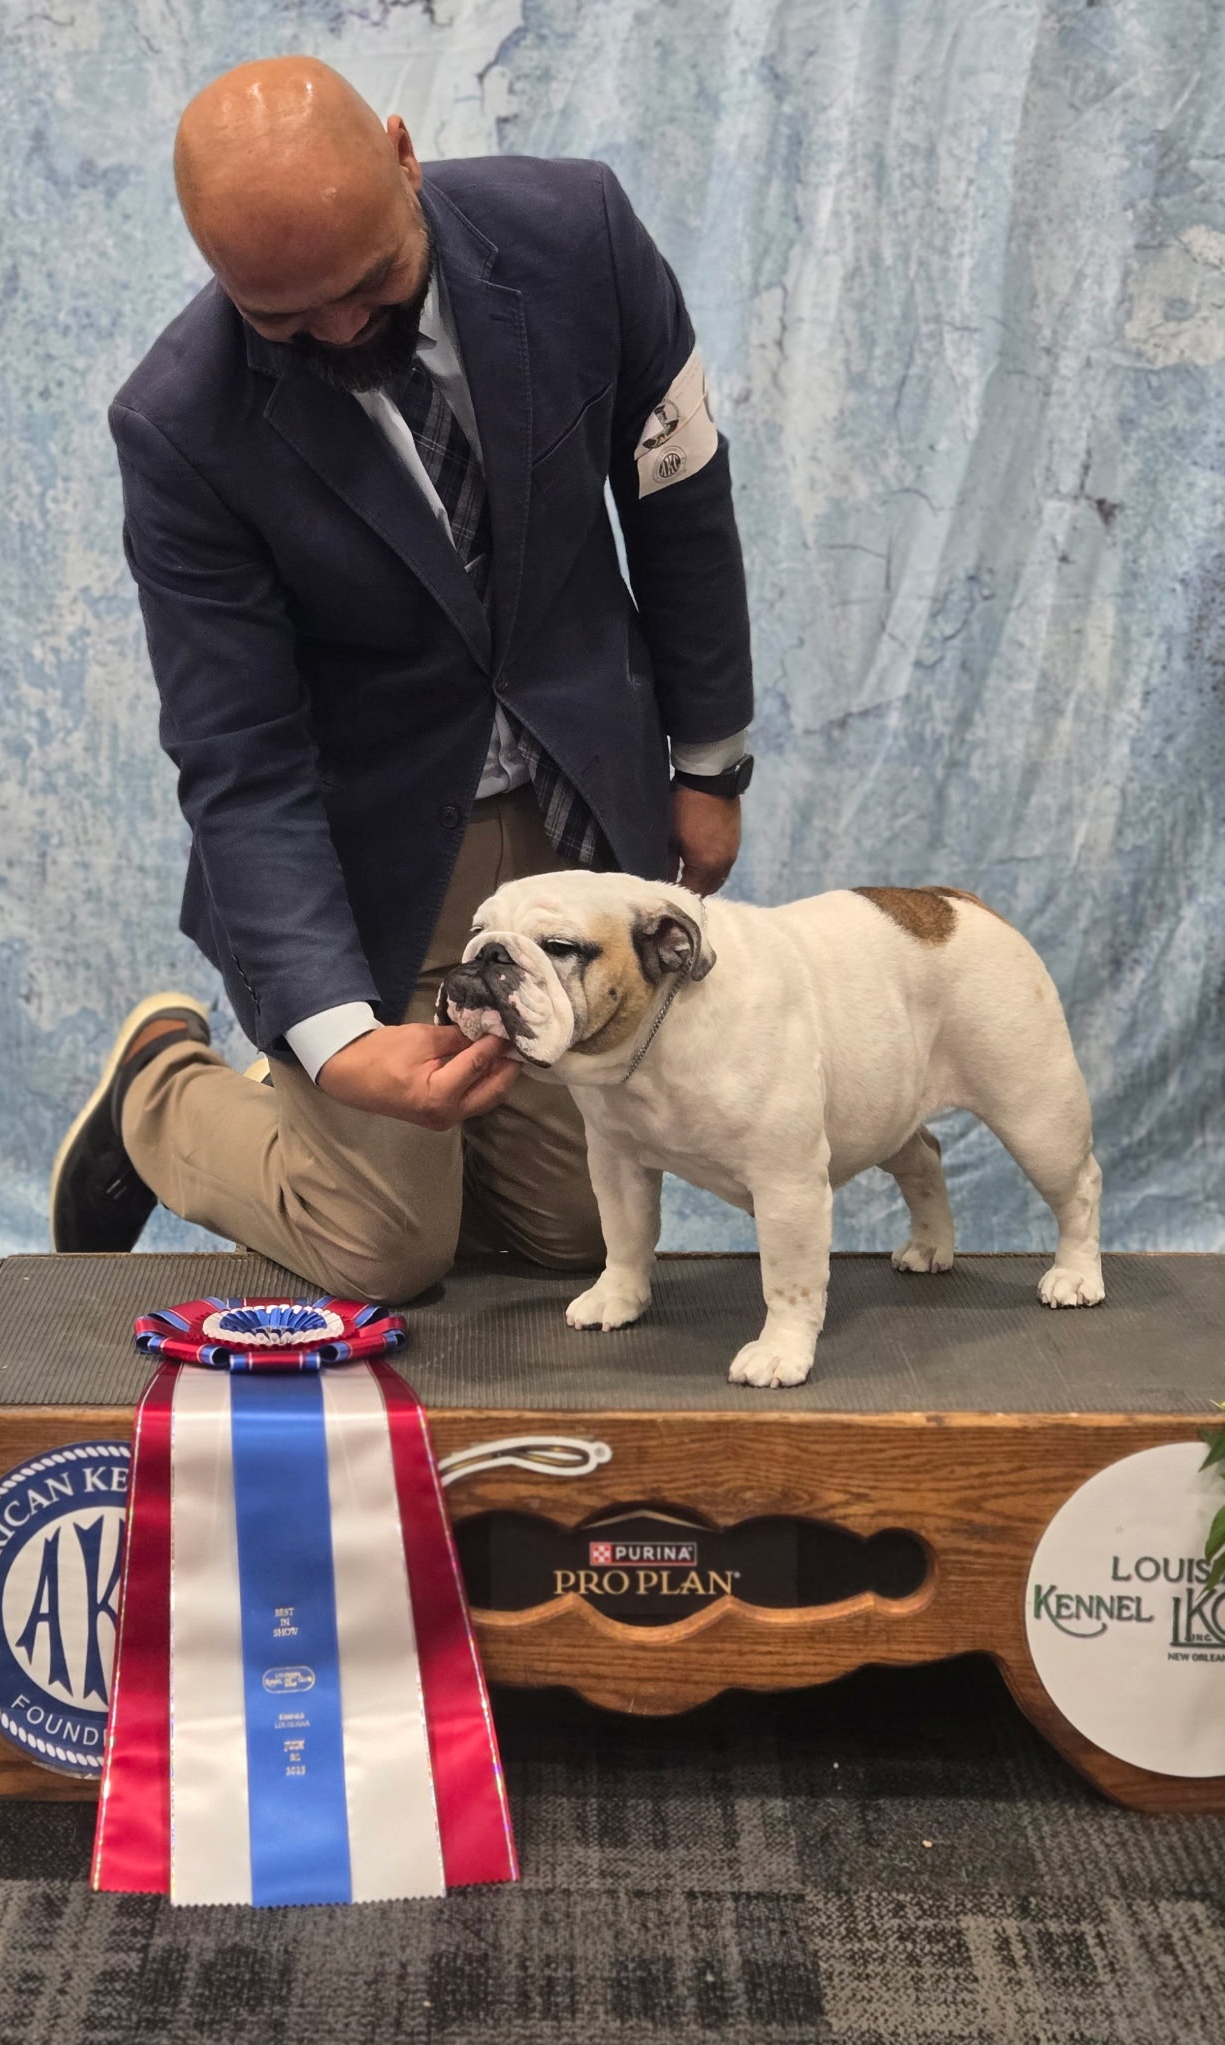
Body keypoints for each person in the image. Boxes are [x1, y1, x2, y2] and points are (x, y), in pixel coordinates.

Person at [51, 56, 754, 1303]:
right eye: (284, 317)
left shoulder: (580, 234)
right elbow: (240, 758)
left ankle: (401, 1149)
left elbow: (678, 496)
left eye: (370, 282)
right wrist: (339, 1042)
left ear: (403, 152)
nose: (341, 330)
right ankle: (163, 1088)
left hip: (577, 809)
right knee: (386, 1252)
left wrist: (707, 765)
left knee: (583, 1237)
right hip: (366, 858)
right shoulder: (177, 425)